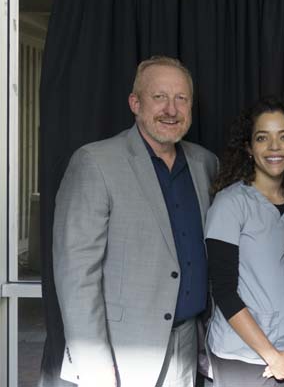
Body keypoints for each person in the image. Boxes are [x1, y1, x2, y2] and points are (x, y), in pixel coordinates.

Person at [53, 56, 218, 386]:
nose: (171, 109)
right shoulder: (95, 162)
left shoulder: (205, 164)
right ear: (135, 102)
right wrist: (95, 367)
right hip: (122, 352)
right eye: (159, 97)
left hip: (190, 342)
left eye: (181, 99)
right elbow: (76, 277)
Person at [204, 97, 284, 386]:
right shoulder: (230, 203)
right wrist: (271, 356)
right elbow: (223, 291)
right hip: (243, 358)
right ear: (248, 147)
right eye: (263, 138)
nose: (275, 147)